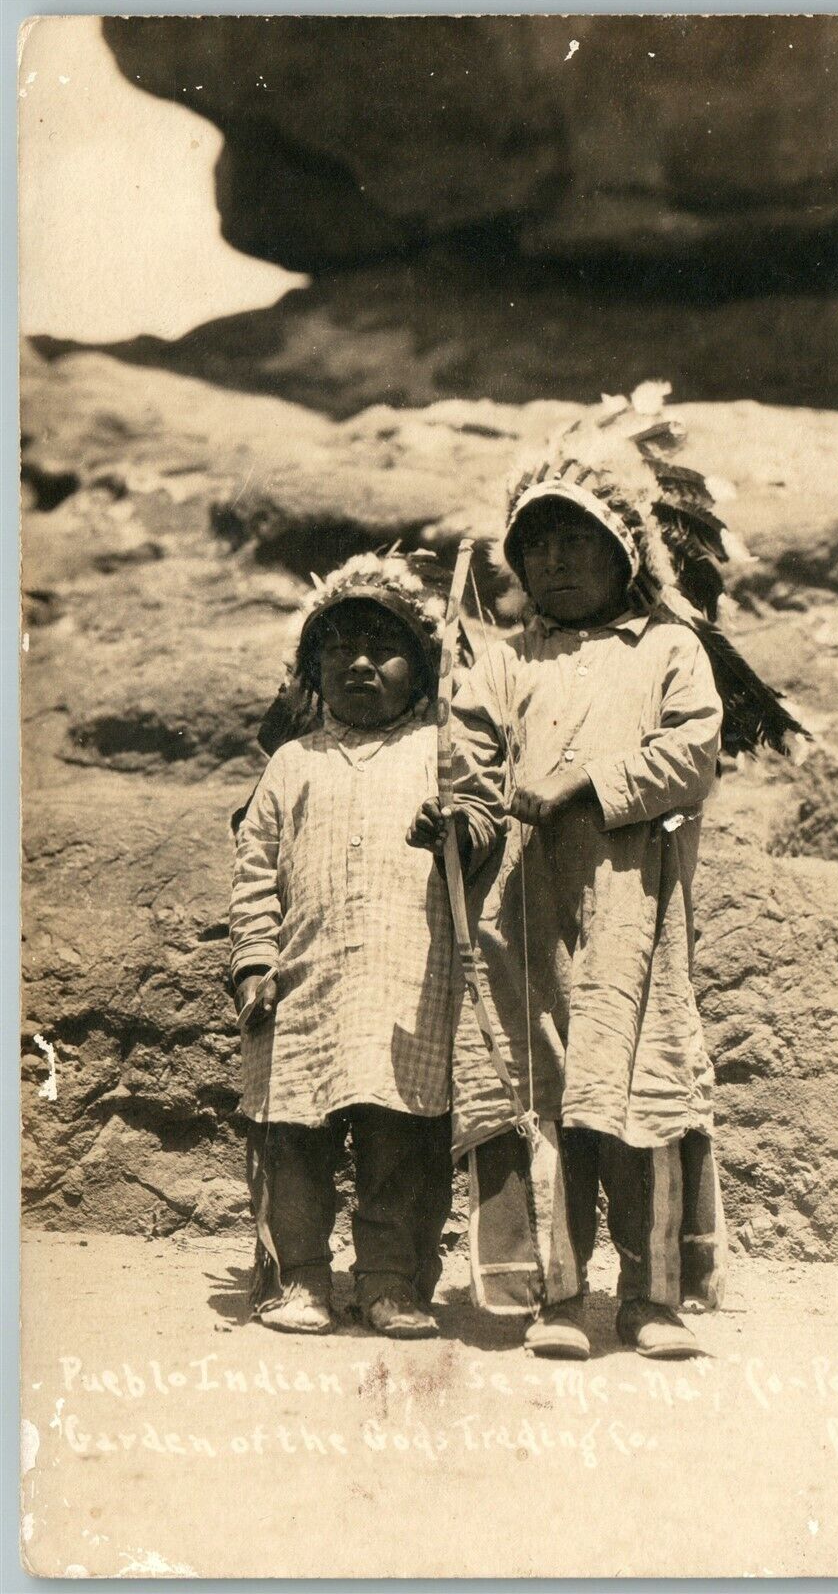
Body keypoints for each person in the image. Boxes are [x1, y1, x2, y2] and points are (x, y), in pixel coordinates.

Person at [410, 386, 803, 1362]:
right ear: (514, 563)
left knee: (636, 1088)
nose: (555, 559)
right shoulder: (498, 663)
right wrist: (456, 827)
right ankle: (554, 1296)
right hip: (523, 911)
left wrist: (586, 782)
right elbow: (468, 774)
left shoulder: (666, 648)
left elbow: (693, 760)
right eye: (535, 544)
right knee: (541, 1091)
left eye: (577, 539)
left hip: (634, 901)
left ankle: (651, 1296)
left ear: (622, 552)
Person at [230, 551, 484, 1339]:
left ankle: (390, 1280)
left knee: (401, 1140)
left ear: (426, 665)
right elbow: (253, 873)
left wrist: (456, 831)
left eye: (383, 648)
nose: (360, 664)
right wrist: (253, 962)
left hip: (406, 985)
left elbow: (484, 825)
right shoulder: (289, 764)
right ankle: (300, 1276)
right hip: (301, 988)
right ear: (310, 671)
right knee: (293, 1138)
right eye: (338, 650)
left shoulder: (440, 752)